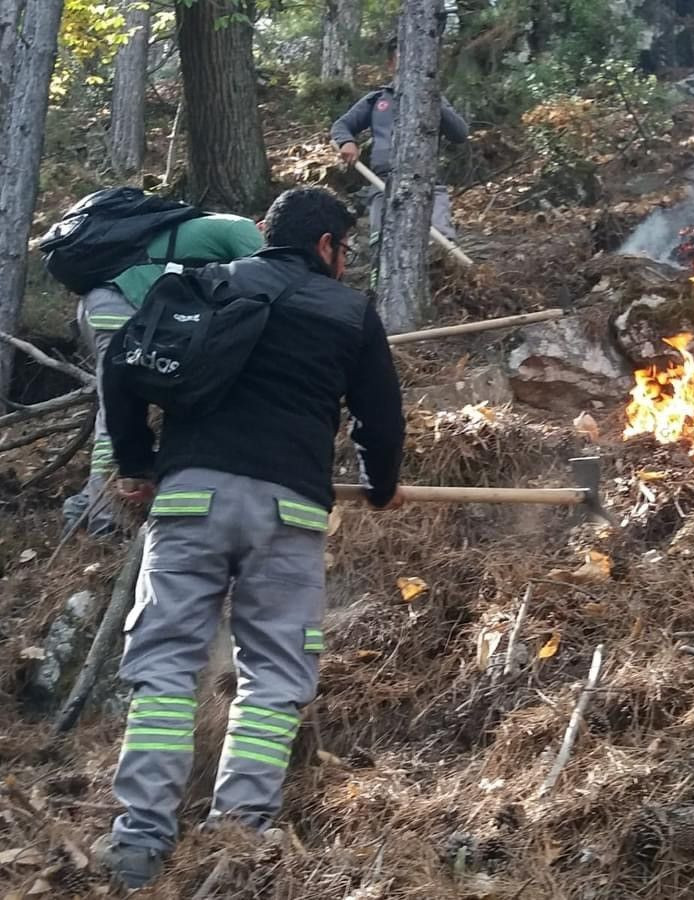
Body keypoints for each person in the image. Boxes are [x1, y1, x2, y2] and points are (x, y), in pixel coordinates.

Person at [94, 187, 406, 890]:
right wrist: (382, 486)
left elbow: (121, 366)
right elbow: (381, 422)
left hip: (190, 500)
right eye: (346, 251)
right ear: (326, 245)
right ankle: (237, 841)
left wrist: (138, 462)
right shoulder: (348, 313)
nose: (347, 265)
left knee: (165, 668)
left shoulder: (203, 285)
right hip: (287, 516)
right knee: (274, 678)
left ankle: (139, 842)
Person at [62, 212, 264, 539]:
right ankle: (103, 517)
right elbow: (267, 277)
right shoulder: (243, 229)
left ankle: (91, 502)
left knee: (117, 400)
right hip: (122, 304)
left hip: (100, 301)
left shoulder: (200, 226)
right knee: (116, 405)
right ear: (263, 227)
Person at [330, 35, 469, 246]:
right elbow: (341, 125)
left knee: (441, 246)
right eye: (402, 60)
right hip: (382, 184)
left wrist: (433, 99)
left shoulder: (435, 99)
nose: (409, 67)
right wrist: (346, 142)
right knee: (382, 244)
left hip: (427, 185)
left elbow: (459, 134)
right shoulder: (377, 100)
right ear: (390, 65)